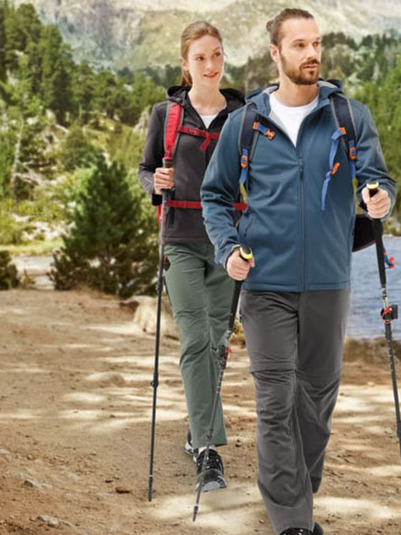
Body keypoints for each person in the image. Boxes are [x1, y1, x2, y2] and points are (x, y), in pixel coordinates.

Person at [200, 8, 396, 535]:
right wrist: (227, 248)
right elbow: (216, 196)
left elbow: (378, 181)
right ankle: (290, 526)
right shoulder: (247, 123)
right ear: (275, 54)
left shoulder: (348, 118)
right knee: (275, 401)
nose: (312, 54)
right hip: (264, 283)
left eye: (317, 44)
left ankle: (298, 499)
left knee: (316, 403)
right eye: (300, 45)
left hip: (330, 280)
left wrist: (378, 197)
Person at [138, 21, 245, 493]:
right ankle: (207, 450)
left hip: (229, 245)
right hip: (179, 239)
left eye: (217, 55)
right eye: (200, 57)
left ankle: (196, 426)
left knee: (219, 341)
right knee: (196, 337)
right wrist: (154, 184)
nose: (210, 65)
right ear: (186, 64)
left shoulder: (243, 114)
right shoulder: (166, 113)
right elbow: (146, 169)